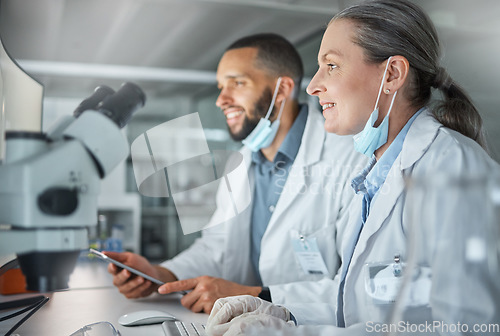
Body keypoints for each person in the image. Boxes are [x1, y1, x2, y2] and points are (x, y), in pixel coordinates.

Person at [206, 1, 500, 335]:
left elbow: (466, 325)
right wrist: (277, 307)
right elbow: (358, 300)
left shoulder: (453, 169)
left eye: (331, 65)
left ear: (391, 75)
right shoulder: (379, 172)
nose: (313, 85)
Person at [106, 33, 365, 314]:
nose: (221, 100)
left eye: (238, 83)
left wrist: (252, 296)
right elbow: (217, 248)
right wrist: (160, 274)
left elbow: (355, 289)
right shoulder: (241, 162)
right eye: (220, 87)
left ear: (282, 91)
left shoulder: (349, 158)